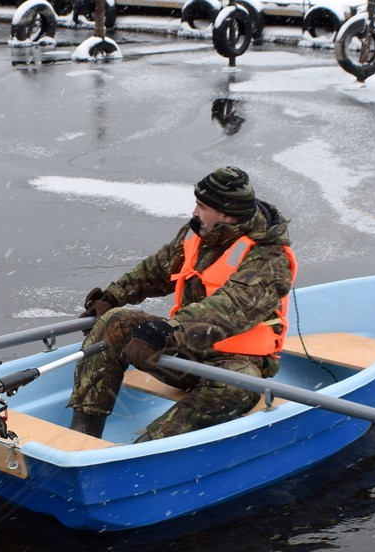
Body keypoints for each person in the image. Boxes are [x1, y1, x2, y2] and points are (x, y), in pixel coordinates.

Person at [69, 166, 297, 442]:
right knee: (114, 322)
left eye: (202, 206)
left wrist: (168, 332)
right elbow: (157, 269)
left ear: (226, 214)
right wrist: (114, 296)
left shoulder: (269, 259)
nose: (194, 212)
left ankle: (147, 448)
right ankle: (83, 435)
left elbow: (229, 310)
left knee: (237, 383)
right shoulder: (200, 233)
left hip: (235, 361)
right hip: (187, 352)